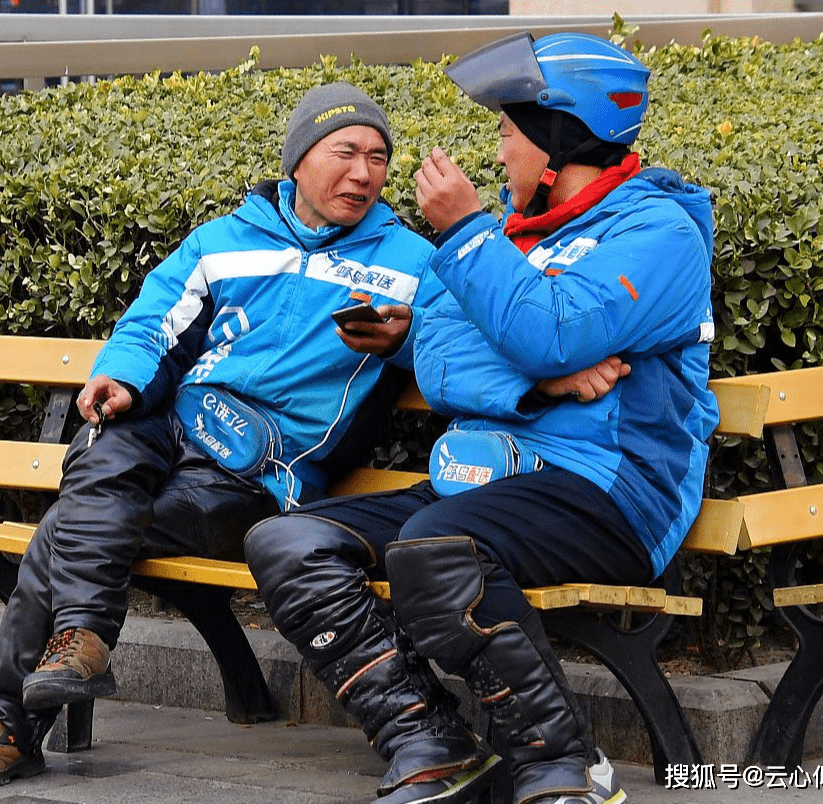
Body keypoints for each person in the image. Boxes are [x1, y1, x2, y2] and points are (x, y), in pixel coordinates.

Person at [0, 82, 450, 790]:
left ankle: (14, 713)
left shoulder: (411, 264)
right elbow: (152, 322)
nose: (363, 172)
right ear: (299, 160)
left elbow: (454, 354)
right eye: (345, 151)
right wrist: (122, 377)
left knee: (62, 534)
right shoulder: (224, 240)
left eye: (379, 157)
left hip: (257, 475)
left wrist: (405, 338)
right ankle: (66, 653)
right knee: (111, 434)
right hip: (173, 425)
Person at [244, 31, 718, 804]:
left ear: (557, 138)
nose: (497, 153)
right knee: (288, 539)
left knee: (437, 546)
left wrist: (467, 237)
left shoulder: (657, 234)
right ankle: (427, 742)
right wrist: (541, 385)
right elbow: (438, 354)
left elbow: (552, 330)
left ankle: (561, 765)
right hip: (481, 486)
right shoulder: (505, 234)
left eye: (507, 131)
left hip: (609, 490)